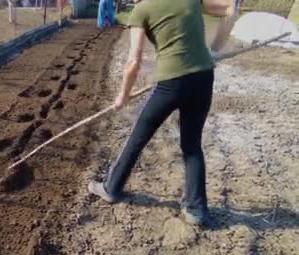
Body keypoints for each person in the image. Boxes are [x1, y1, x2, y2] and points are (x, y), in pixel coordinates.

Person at [88, 0, 240, 225]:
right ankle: (196, 210)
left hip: (171, 84)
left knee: (137, 137)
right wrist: (214, 50)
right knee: (192, 145)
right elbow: (231, 7)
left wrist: (123, 95)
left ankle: (112, 188)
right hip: (203, 78)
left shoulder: (142, 10)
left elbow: (134, 61)